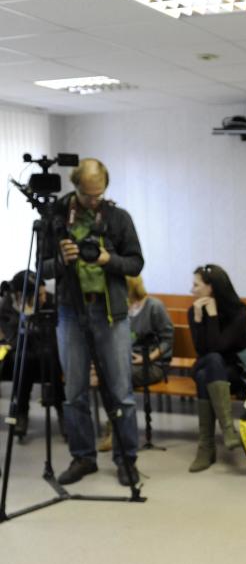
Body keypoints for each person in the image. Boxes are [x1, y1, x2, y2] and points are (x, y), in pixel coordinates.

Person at [42, 157, 144, 486]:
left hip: (111, 312)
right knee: (74, 392)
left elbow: (135, 263)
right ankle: (83, 457)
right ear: (76, 188)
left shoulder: (117, 217)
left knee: (121, 393)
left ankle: (126, 459)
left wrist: (106, 259)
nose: (94, 200)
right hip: (72, 312)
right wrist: (60, 260)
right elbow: (39, 269)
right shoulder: (55, 218)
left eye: (99, 194)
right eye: (88, 195)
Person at [96, 275, 174, 453]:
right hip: (127, 360)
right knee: (109, 376)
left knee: (118, 379)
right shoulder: (120, 308)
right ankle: (115, 428)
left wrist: (147, 358)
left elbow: (168, 340)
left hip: (154, 363)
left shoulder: (154, 306)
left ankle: (115, 431)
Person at [188, 264, 246, 473]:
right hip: (205, 362)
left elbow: (220, 347)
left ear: (211, 288)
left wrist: (212, 316)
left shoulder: (239, 313)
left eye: (196, 285)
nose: (191, 290)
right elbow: (202, 350)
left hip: (231, 369)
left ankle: (206, 447)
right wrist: (198, 318)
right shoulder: (194, 310)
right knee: (210, 362)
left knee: (207, 373)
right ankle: (228, 429)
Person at [0, 270, 65, 440]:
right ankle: (21, 415)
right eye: (39, 295)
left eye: (44, 293)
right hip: (20, 356)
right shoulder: (7, 306)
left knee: (51, 357)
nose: (44, 298)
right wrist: (26, 314)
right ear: (22, 295)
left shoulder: (51, 302)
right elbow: (12, 338)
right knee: (22, 358)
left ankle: (63, 412)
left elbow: (54, 336)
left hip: (47, 355)